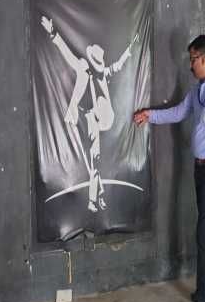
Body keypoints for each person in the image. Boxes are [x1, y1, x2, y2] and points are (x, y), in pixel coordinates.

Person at [133, 35, 205, 302]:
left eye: (193, 59)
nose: (190, 65)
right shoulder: (197, 91)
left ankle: (203, 300)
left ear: (203, 58)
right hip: (199, 169)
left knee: (204, 234)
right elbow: (178, 113)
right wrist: (149, 115)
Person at [41, 15, 137, 212]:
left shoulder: (103, 74)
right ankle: (98, 196)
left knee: (95, 160)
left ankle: (94, 200)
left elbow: (118, 65)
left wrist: (130, 50)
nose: (98, 67)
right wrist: (53, 33)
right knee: (91, 162)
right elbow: (67, 53)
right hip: (81, 118)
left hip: (95, 119)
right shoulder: (83, 68)